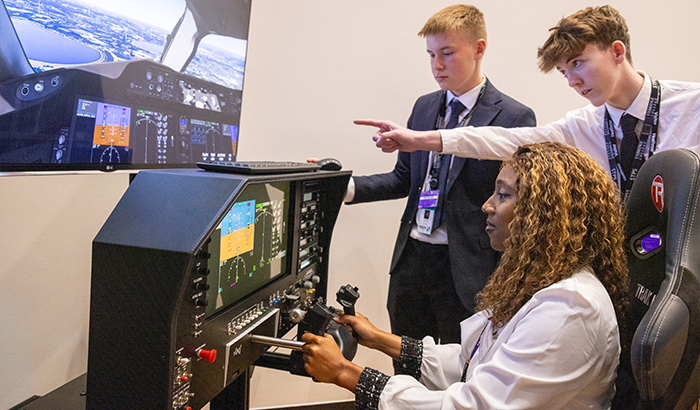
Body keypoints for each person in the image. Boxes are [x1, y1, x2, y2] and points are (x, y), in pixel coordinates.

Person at [301, 142, 629, 410]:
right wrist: (381, 340)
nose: (487, 206)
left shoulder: (569, 308)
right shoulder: (544, 282)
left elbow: (475, 406)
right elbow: (474, 361)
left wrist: (347, 373)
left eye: (502, 195)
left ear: (541, 214)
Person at [359, 5, 700, 202]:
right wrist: (419, 139)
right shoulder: (582, 125)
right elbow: (504, 140)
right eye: (564, 72)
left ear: (616, 51)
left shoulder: (692, 105)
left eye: (578, 63)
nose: (573, 81)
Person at [345, 4, 536, 345]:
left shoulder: (514, 117)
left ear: (479, 49)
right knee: (403, 362)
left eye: (447, 53)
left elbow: (516, 203)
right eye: (431, 54)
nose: (437, 65)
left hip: (468, 270)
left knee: (455, 377)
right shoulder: (424, 106)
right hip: (412, 261)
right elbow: (404, 179)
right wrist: (343, 188)